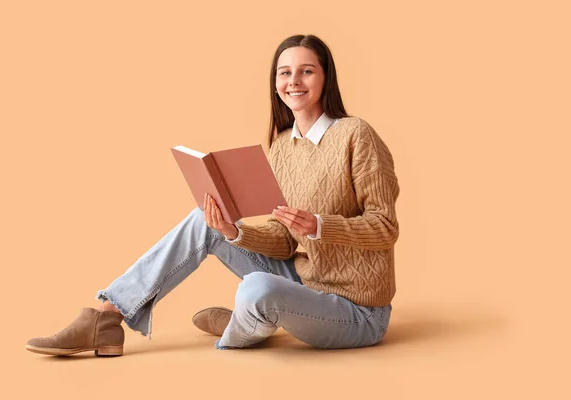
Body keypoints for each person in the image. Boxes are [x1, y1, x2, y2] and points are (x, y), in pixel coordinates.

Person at [25, 34, 400, 356]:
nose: (294, 81)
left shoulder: (356, 135)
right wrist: (234, 232)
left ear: (325, 78)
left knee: (257, 288)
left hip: (357, 310)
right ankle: (107, 317)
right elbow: (284, 242)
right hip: (305, 281)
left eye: (307, 70)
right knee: (203, 221)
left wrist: (320, 226)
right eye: (285, 72)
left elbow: (385, 226)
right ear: (275, 82)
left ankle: (245, 322)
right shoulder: (284, 146)